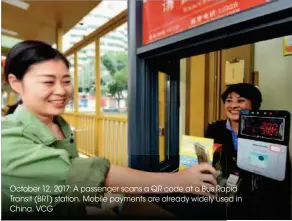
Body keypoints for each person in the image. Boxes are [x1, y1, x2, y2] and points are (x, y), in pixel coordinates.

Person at [1, 40, 217, 219]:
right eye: (48, 82)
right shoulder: (7, 138)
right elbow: (80, 175)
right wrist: (180, 182)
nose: (61, 91)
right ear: (16, 83)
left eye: (66, 81)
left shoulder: (59, 124)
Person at [205, 83, 291, 220]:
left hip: (260, 200)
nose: (233, 105)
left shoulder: (269, 130)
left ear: (254, 105)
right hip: (225, 197)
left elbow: (282, 174)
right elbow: (209, 160)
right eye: (229, 100)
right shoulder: (214, 128)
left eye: (240, 100)